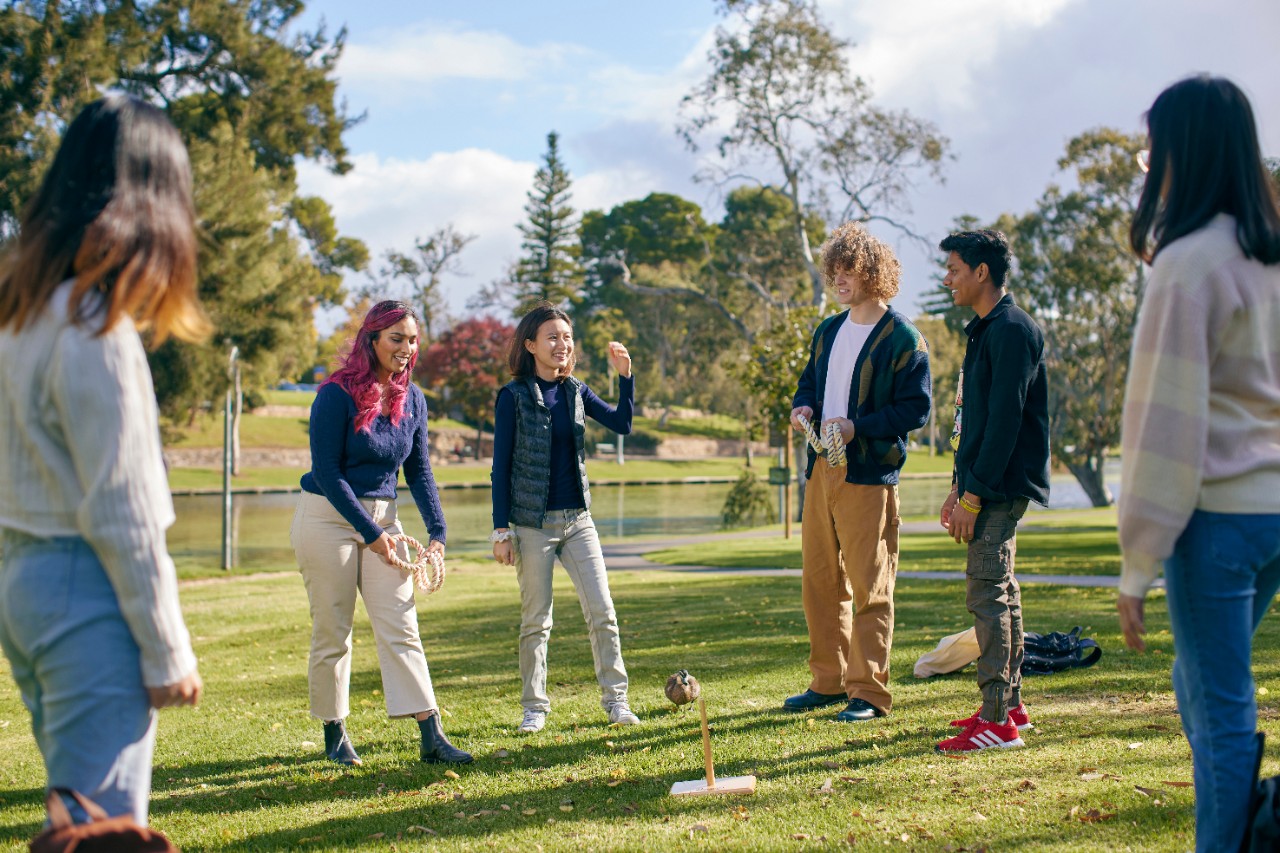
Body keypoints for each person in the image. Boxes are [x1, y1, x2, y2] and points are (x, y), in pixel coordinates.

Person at [0, 95, 204, 825]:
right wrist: (167, 648)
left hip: (23, 582)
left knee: (72, 816)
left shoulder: (23, 314)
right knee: (100, 827)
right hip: (86, 593)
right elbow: (124, 514)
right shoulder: (96, 331)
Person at [1117, 75, 1280, 851]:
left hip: (1216, 519)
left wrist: (1137, 557)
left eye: (1154, 151)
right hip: (1274, 512)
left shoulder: (1188, 263)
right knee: (1199, 685)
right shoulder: (1268, 258)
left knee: (1219, 711)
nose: (1149, 166)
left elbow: (1163, 424)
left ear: (1186, 151)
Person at [291, 300, 471, 766]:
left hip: (384, 520)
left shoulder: (412, 399)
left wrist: (438, 532)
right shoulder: (334, 395)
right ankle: (335, 735)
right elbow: (328, 473)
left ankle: (431, 735)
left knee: (401, 621)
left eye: (413, 340)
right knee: (334, 628)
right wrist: (371, 533)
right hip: (327, 518)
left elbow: (420, 471)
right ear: (371, 340)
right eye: (397, 339)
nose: (407, 349)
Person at [785, 222, 931, 723]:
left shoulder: (903, 337)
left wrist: (856, 427)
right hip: (820, 471)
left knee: (871, 586)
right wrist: (803, 407)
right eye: (835, 270)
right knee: (821, 582)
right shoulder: (828, 330)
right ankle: (827, 682)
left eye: (850, 270)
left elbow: (916, 410)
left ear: (873, 272)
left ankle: (868, 692)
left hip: (869, 477)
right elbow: (809, 382)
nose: (840, 279)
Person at [490, 302, 639, 734]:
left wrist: (625, 377)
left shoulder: (575, 390)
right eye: (552, 337)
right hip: (532, 525)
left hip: (578, 521)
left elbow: (623, 424)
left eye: (567, 337)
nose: (562, 344)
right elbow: (501, 468)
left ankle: (617, 702)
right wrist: (502, 530)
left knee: (603, 612)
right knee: (536, 620)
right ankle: (534, 709)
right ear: (531, 344)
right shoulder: (513, 397)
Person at [934, 228, 1050, 753]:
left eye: (955, 268)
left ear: (982, 272)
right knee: (1002, 588)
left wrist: (975, 497)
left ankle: (997, 721)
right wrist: (958, 486)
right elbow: (974, 418)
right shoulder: (984, 329)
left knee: (987, 591)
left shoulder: (1011, 331)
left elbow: (1005, 423)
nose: (948, 278)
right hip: (982, 483)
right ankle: (1012, 708)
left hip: (999, 488)